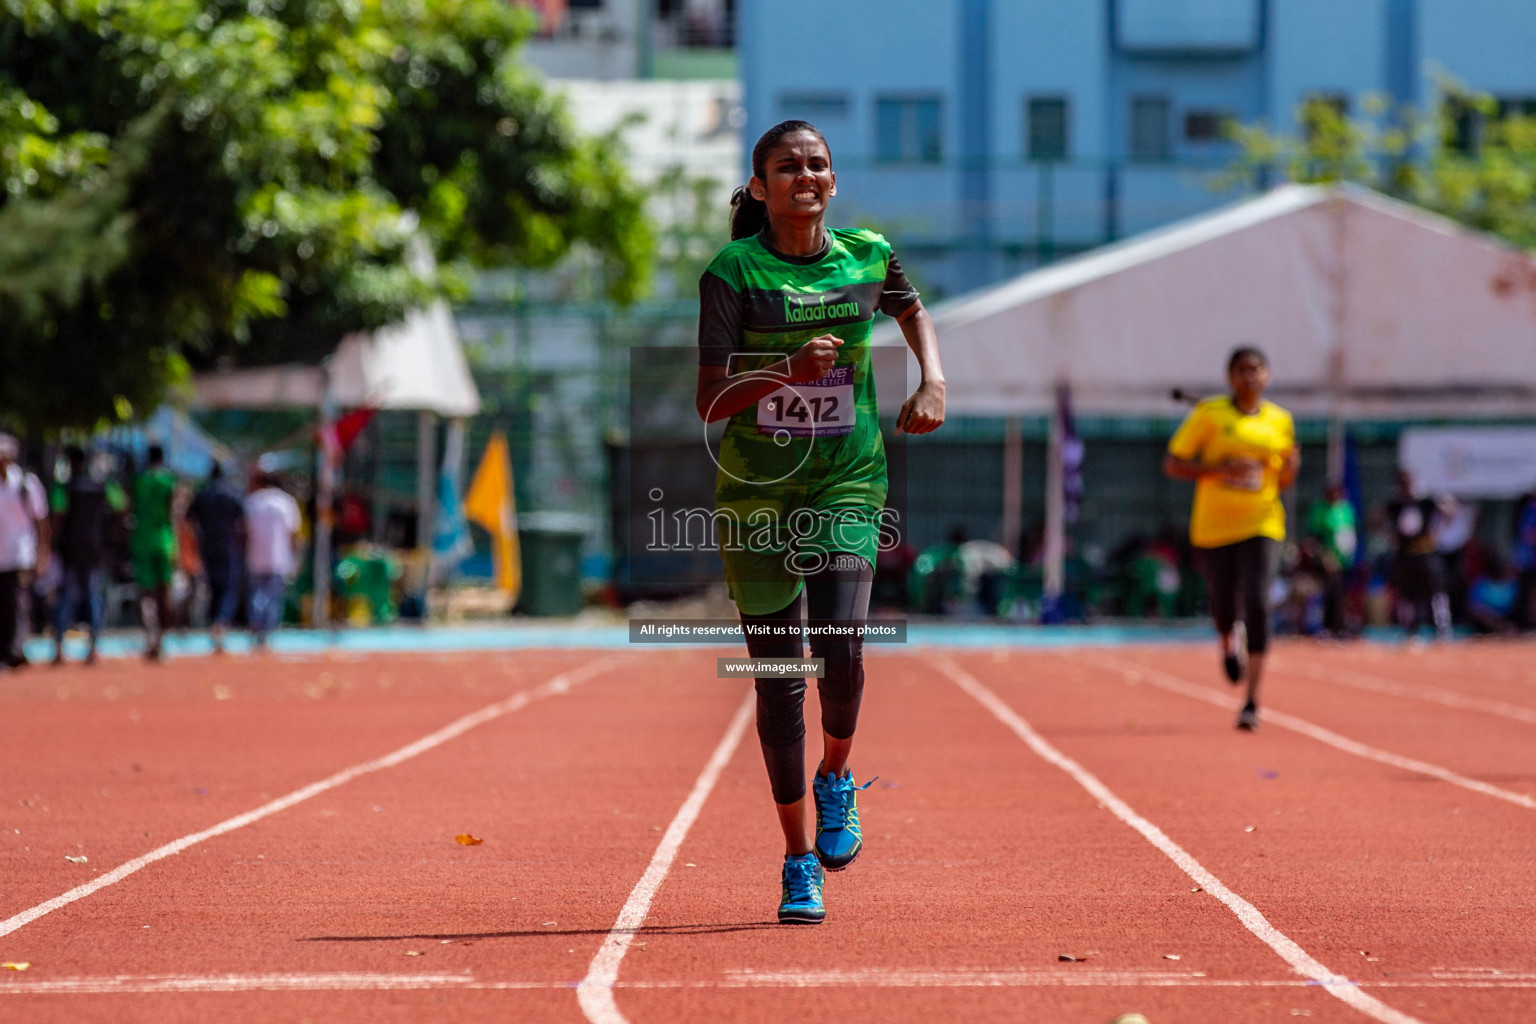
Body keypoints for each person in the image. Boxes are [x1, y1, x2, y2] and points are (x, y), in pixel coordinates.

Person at [695, 120, 944, 923]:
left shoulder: (868, 252)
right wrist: (783, 373)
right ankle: (797, 859)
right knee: (776, 683)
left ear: (832, 182)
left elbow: (913, 312)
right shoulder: (733, 273)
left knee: (840, 651)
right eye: (788, 167)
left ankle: (838, 776)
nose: (807, 175)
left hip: (845, 477)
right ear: (760, 187)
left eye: (819, 164)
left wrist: (932, 380)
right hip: (759, 493)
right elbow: (709, 400)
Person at [1163, 347, 1299, 731]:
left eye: (1257, 369)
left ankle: (1252, 700)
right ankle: (1228, 641)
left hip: (1263, 522)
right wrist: (1217, 469)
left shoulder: (1281, 420)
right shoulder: (1209, 414)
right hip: (1214, 527)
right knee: (1225, 608)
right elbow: (1173, 463)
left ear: (1268, 376)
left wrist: (1290, 469)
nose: (1250, 376)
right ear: (1230, 377)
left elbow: (1283, 479)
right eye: (1242, 370)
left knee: (1256, 602)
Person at [51, 446, 115, 665]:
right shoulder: (100, 486)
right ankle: (94, 648)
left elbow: (57, 516)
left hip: (70, 549)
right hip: (93, 548)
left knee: (66, 596)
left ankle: (59, 648)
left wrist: (52, 544)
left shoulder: (64, 487)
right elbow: (120, 504)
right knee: (92, 596)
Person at [0, 434, 49, 670]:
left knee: (17, 601)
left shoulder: (25, 484)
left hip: (20, 554)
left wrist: (42, 552)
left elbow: (41, 520)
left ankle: (15, 649)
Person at [1386, 470, 1453, 641]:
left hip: (1425, 555)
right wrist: (1390, 535)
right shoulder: (1396, 504)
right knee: (1407, 594)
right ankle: (1410, 630)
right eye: (1402, 484)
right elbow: (1377, 518)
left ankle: (1442, 628)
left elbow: (1448, 511)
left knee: (1435, 591)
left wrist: (1437, 533)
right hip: (1405, 556)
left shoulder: (1425, 502)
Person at [187, 463, 246, 653]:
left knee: (212, 587)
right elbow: (242, 523)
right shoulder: (231, 495)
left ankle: (214, 623)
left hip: (207, 546)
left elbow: (188, 521)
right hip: (227, 546)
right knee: (228, 588)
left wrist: (196, 539)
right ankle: (220, 624)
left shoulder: (202, 495)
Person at [131, 444, 178, 661]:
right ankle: (161, 640)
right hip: (164, 540)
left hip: (142, 539)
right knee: (164, 592)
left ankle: (150, 636)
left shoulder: (139, 480)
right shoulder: (168, 481)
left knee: (146, 593)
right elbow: (173, 512)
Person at [244, 472, 301, 650]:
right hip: (279, 556)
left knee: (257, 594)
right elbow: (294, 532)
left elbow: (244, 530)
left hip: (255, 555)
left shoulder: (252, 502)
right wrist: (295, 556)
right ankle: (267, 633)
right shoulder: (285, 502)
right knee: (274, 596)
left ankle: (255, 623)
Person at [1307, 483, 1358, 636]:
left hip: (1345, 560)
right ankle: (1327, 627)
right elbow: (1316, 537)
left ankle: (1340, 627)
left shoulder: (1346, 509)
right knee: (1330, 593)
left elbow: (1351, 532)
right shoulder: (1320, 510)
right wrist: (1325, 557)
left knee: (1343, 594)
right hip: (1328, 560)